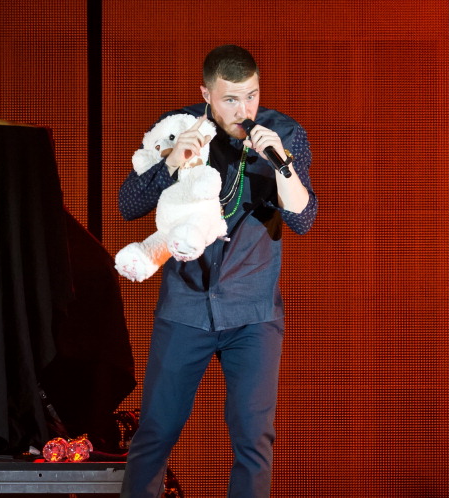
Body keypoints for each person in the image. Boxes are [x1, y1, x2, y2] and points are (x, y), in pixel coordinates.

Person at [118, 44, 317, 498]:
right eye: (230, 99)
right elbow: (128, 205)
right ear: (205, 92)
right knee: (155, 433)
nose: (243, 109)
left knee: (253, 439)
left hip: (253, 311)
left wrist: (281, 165)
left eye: (251, 96)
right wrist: (171, 161)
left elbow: (304, 219)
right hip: (186, 306)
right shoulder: (178, 126)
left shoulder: (285, 132)